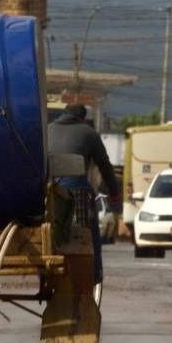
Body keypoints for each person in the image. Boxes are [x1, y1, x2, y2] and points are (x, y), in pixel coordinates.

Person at [48, 104, 127, 281]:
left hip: (49, 193)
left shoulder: (48, 130)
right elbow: (104, 165)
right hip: (78, 194)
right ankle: (94, 274)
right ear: (83, 118)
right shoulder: (89, 133)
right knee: (88, 235)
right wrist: (114, 192)